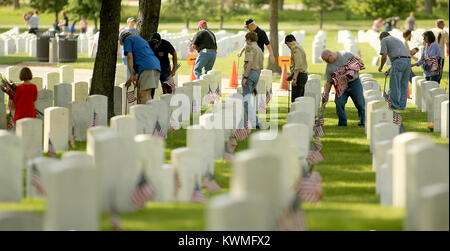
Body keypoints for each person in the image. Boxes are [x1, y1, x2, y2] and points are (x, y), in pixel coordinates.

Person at [321, 50, 365, 127]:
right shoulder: (329, 67)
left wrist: (352, 71)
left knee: (360, 103)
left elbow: (359, 61)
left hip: (354, 83)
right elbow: (329, 82)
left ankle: (363, 121)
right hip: (340, 86)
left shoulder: (345, 54)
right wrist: (326, 94)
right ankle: (342, 123)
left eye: (327, 60)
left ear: (331, 55)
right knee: (339, 103)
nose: (326, 62)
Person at [120, 30, 161, 104]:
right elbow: (142, 58)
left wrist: (131, 75)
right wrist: (135, 78)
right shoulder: (140, 40)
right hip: (155, 66)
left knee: (143, 95)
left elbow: (129, 56)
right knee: (148, 94)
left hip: (147, 67)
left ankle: (145, 115)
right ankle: (151, 114)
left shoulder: (128, 39)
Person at [378, 32, 411, 110]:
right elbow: (399, 55)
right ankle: (402, 106)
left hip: (398, 61)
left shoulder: (384, 40)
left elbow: (384, 56)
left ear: (382, 37)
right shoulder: (397, 39)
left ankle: (395, 106)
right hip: (408, 61)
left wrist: (381, 67)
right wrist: (390, 69)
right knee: (404, 85)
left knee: (394, 85)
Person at [241, 31, 264, 128]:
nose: (246, 41)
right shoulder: (259, 49)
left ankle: (255, 122)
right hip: (257, 74)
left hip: (249, 73)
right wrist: (255, 84)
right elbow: (260, 68)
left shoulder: (250, 48)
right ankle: (246, 122)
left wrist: (245, 77)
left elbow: (249, 63)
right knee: (248, 100)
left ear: (249, 39)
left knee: (246, 101)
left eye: (246, 39)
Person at [285, 34, 308, 102]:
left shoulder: (295, 48)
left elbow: (298, 65)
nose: (288, 47)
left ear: (288, 42)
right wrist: (291, 76)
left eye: (287, 45)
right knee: (300, 99)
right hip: (301, 75)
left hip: (299, 76)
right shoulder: (299, 47)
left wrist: (294, 78)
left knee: (296, 100)